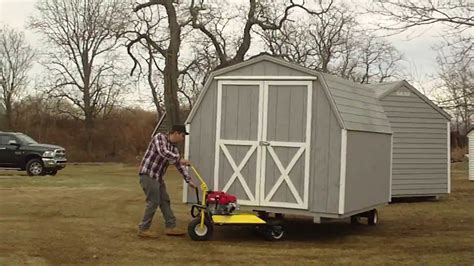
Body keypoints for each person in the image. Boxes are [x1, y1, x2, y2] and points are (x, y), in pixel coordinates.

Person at [137, 124, 197, 238]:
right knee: (153, 202)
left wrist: (188, 180)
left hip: (158, 178)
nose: (183, 139)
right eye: (183, 136)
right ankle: (143, 229)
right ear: (175, 133)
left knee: (165, 201)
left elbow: (179, 165)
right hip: (148, 175)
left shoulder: (173, 148)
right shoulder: (159, 137)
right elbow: (163, 152)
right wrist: (180, 159)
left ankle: (171, 227)